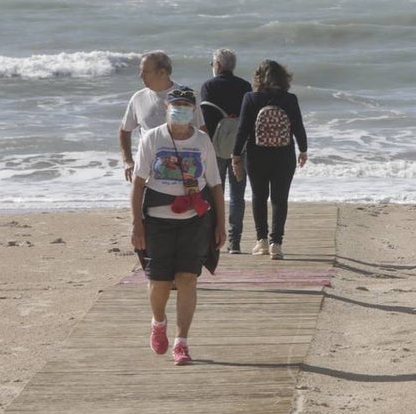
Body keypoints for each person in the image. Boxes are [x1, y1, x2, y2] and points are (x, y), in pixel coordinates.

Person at [130, 85, 225, 366]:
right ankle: (158, 322)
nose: (181, 109)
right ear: (167, 108)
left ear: (194, 110)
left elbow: (216, 186)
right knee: (159, 281)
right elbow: (137, 185)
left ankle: (181, 343)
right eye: (177, 105)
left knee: (187, 279)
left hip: (194, 221)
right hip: (158, 221)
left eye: (187, 105)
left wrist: (221, 224)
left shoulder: (202, 141)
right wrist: (136, 224)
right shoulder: (152, 138)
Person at [231, 59, 307, 260]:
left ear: (257, 77)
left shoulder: (250, 98)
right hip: (284, 154)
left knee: (259, 196)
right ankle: (277, 243)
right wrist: (303, 150)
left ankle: (261, 241)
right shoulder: (290, 99)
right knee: (280, 199)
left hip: (257, 155)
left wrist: (236, 154)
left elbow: (243, 130)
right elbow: (298, 127)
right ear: (283, 77)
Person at [199, 48, 253, 255]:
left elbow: (206, 119)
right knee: (238, 195)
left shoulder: (208, 86)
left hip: (215, 147)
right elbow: (248, 118)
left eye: (212, 63)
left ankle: (214, 238)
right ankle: (235, 242)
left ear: (218, 65)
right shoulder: (245, 86)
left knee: (214, 193)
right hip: (241, 148)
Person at [120, 51, 204, 182]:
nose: (140, 75)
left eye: (145, 71)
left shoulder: (186, 97)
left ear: (162, 73)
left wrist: (203, 167)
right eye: (141, 71)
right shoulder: (138, 98)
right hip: (148, 172)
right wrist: (127, 161)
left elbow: (201, 132)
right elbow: (124, 130)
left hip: (182, 171)